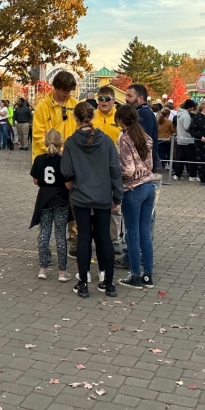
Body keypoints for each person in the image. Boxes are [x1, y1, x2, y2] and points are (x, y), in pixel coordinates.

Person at [60, 102, 123, 298]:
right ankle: (109, 283)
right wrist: (117, 195)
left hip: (80, 196)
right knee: (104, 237)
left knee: (84, 238)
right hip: (103, 195)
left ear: (76, 119)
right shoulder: (105, 141)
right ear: (93, 117)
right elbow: (115, 169)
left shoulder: (71, 142)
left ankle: (83, 283)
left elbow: (66, 171)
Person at [114, 104, 156, 289]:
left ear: (121, 120)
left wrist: (117, 174)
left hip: (133, 189)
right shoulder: (145, 137)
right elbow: (150, 164)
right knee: (145, 233)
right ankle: (148, 274)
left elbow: (128, 169)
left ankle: (135, 276)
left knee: (132, 234)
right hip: (149, 186)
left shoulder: (125, 138)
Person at [30, 129, 72, 282]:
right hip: (61, 200)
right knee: (60, 235)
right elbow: (68, 185)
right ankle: (62, 272)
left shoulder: (40, 159)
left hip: (44, 200)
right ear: (61, 144)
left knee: (44, 234)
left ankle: (43, 268)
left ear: (45, 142)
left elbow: (35, 181)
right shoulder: (64, 161)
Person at [91, 86, 125, 273]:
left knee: (114, 205)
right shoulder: (92, 116)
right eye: (101, 98)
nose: (104, 101)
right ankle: (89, 237)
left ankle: (114, 239)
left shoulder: (119, 118)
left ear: (114, 100)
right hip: (93, 168)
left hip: (114, 167)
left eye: (107, 98)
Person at [32, 71, 79, 160]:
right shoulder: (41, 107)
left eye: (69, 90)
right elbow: (38, 134)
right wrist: (56, 150)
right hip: (47, 157)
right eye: (64, 90)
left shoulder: (76, 105)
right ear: (56, 87)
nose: (67, 93)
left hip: (70, 156)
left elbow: (80, 130)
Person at [172, 100, 198, 180]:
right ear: (190, 107)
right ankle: (192, 175)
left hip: (181, 139)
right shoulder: (186, 116)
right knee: (192, 158)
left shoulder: (179, 114)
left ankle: (177, 174)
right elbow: (187, 127)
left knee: (180, 158)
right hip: (187, 139)